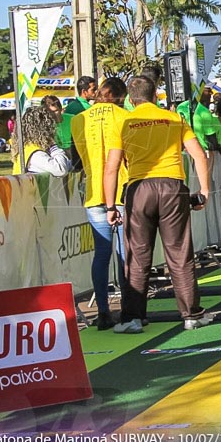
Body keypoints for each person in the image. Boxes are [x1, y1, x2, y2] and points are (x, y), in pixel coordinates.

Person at [103, 75, 213, 333]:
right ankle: (191, 314)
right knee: (179, 253)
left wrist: (110, 206)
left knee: (137, 255)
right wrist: (204, 190)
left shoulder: (124, 123)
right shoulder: (175, 118)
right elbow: (199, 154)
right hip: (173, 186)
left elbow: (111, 168)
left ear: (131, 100)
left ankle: (133, 318)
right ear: (156, 96)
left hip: (138, 189)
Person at [71, 76, 129, 330]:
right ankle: (129, 308)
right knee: (125, 253)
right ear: (120, 96)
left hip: (94, 192)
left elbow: (75, 160)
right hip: (122, 191)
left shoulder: (78, 120)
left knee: (102, 253)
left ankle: (103, 311)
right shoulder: (125, 116)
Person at [13, 106, 71, 176]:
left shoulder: (29, 148)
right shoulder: (35, 154)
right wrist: (53, 146)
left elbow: (65, 165)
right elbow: (61, 170)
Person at [57, 75, 97, 151]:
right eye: (93, 90)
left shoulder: (71, 105)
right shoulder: (87, 109)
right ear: (84, 92)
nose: (96, 92)